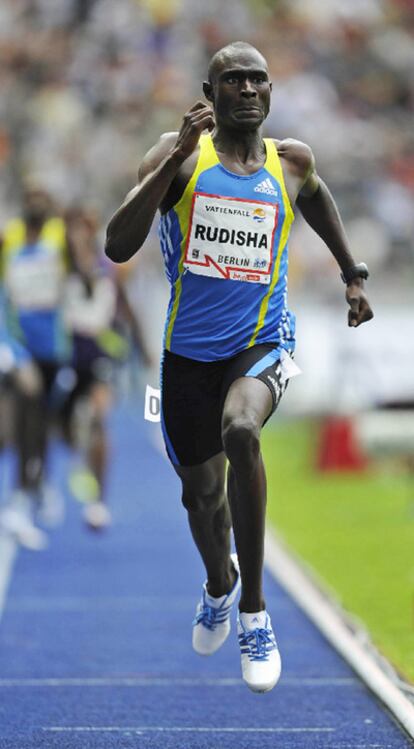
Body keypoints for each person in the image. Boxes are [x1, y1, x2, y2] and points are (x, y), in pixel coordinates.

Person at [105, 41, 373, 693]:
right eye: (234, 80)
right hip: (186, 358)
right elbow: (117, 245)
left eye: (259, 80)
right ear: (210, 90)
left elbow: (317, 199)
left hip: (263, 342)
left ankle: (254, 608)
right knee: (202, 496)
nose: (248, 90)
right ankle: (220, 581)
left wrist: (351, 273)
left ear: (271, 92)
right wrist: (172, 158)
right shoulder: (179, 156)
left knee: (243, 431)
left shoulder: (292, 161)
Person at [62, 207, 153, 531]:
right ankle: (47, 480)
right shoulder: (59, 269)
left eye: (85, 228)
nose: (79, 235)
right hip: (65, 357)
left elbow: (127, 308)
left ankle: (99, 500)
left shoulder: (108, 270)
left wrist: (143, 348)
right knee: (66, 431)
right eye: (73, 229)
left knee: (100, 419)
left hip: (99, 357)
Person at [0, 184, 69, 550]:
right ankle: (20, 496)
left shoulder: (60, 238)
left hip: (53, 347)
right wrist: (10, 348)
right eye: (31, 198)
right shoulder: (8, 239)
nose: (37, 203)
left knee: (45, 423)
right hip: (18, 346)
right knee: (21, 419)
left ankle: (36, 483)